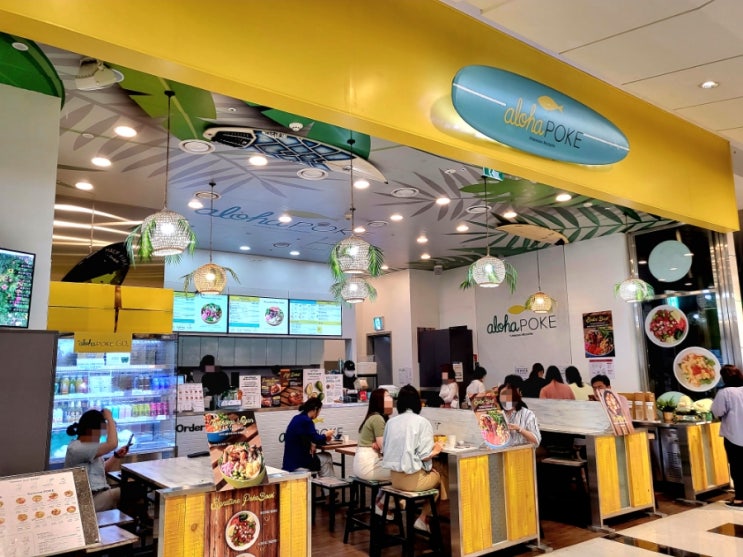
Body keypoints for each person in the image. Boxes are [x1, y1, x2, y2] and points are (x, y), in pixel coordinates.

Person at [382, 385, 445, 533]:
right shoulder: (422, 422)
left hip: (394, 479)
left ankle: (402, 504)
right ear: (418, 402)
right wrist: (436, 450)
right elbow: (424, 455)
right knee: (442, 476)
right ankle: (424, 518)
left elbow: (384, 449)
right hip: (412, 480)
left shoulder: (391, 422)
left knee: (435, 475)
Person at [64, 408, 129, 511]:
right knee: (131, 492)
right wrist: (109, 418)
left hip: (99, 495)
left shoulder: (90, 448)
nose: (102, 435)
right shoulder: (77, 448)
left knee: (130, 491)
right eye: (102, 431)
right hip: (87, 501)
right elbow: (112, 444)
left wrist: (116, 456)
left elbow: (102, 469)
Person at [711, 364, 743, 509]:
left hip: (734, 436)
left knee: (737, 467)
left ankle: (740, 499)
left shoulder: (725, 393)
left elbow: (717, 411)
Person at [282, 397, 336, 477]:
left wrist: (312, 443)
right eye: (319, 411)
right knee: (327, 457)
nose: (319, 414)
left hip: (289, 463)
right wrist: (326, 434)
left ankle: (321, 482)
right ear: (315, 409)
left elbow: (304, 437)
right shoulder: (307, 421)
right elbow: (316, 439)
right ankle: (328, 483)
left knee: (321, 458)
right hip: (300, 463)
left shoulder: (296, 418)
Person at [354, 388, 393, 481]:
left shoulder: (372, 416)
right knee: (402, 472)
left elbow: (381, 445)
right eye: (387, 397)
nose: (391, 400)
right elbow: (384, 447)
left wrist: (379, 446)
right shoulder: (377, 418)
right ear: (379, 401)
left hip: (361, 465)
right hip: (369, 466)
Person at [497, 379, 541, 446]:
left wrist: (519, 429)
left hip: (523, 450)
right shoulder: (499, 415)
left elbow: (536, 440)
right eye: (502, 396)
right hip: (504, 450)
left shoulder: (527, 414)